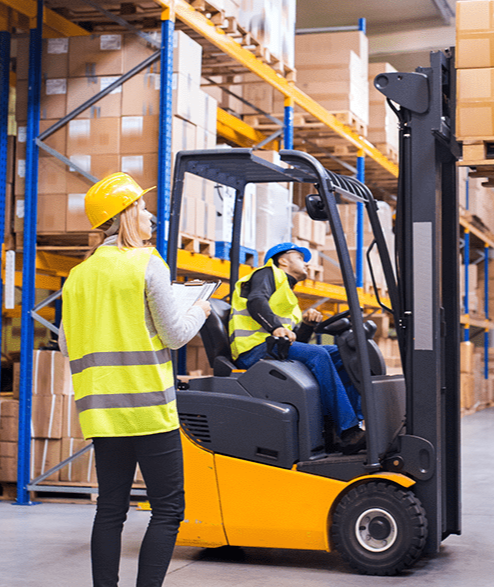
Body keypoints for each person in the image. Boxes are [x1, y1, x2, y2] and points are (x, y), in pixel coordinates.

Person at [59, 172, 211, 587]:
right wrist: (200, 310)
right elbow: (176, 334)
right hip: (148, 411)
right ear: (125, 214)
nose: (149, 216)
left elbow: (64, 343)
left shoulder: (77, 277)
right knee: (167, 510)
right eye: (142, 208)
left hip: (103, 414)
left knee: (109, 509)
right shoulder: (148, 264)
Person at [229, 242, 364, 453]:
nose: (307, 264)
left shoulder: (288, 294)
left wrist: (308, 326)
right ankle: (348, 431)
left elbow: (295, 341)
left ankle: (356, 421)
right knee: (319, 354)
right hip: (253, 349)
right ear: (283, 260)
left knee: (344, 353)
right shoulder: (266, 274)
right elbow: (256, 301)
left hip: (273, 347)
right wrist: (275, 328)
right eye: (301, 258)